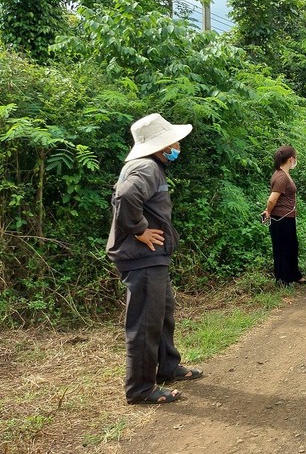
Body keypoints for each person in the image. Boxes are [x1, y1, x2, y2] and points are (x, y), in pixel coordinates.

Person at [106, 113, 203, 405]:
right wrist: (140, 231)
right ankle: (140, 388)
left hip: (151, 258)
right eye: (173, 141)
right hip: (142, 257)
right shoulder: (146, 168)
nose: (178, 146)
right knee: (145, 323)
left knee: (162, 313)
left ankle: (167, 367)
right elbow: (124, 197)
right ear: (161, 146)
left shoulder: (148, 166)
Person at [262, 145, 306, 287]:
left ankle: (294, 275)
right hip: (280, 218)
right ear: (290, 159)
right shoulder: (281, 176)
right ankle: (282, 280)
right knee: (282, 248)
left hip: (287, 217)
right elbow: (272, 199)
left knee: (292, 246)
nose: (296, 160)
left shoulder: (283, 173)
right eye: (295, 157)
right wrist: (268, 211)